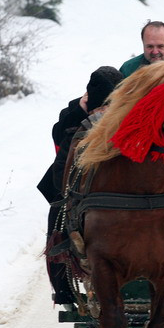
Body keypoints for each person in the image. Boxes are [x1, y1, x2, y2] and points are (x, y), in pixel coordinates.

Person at [36, 66, 125, 302]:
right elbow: (61, 157)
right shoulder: (72, 115)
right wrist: (80, 115)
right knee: (58, 216)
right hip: (77, 182)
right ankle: (63, 286)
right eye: (101, 108)